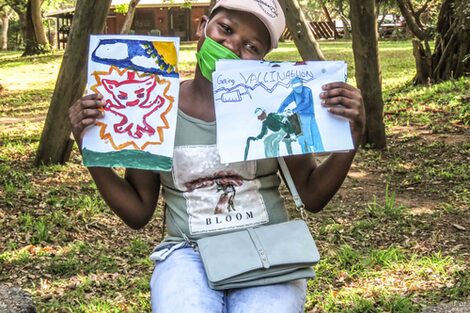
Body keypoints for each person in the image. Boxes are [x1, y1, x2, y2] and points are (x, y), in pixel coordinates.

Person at [68, 0, 365, 312]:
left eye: (251, 46)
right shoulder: (156, 108)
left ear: (262, 60)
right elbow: (138, 211)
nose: (232, 45)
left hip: (268, 252)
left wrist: (353, 135)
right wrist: (90, 149)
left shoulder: (274, 103)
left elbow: (312, 195)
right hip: (187, 252)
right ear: (202, 27)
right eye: (225, 28)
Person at [277, 76, 325, 153]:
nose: (297, 88)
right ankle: (308, 154)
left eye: (298, 85)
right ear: (292, 87)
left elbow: (306, 103)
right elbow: (285, 102)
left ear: (302, 83)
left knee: (312, 135)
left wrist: (293, 110)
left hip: (308, 115)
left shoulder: (307, 90)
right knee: (306, 137)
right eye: (295, 86)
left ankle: (319, 152)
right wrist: (279, 112)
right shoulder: (294, 92)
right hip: (303, 116)